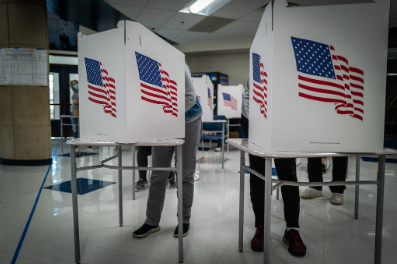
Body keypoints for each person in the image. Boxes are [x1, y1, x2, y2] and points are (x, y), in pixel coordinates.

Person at [133, 63, 202, 238]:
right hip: (163, 121)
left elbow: (189, 98)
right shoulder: (141, 66)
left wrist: (163, 116)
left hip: (189, 118)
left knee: (185, 173)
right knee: (158, 173)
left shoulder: (176, 63)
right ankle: (152, 221)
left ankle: (184, 220)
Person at [240, 77, 306, 256]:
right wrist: (252, 126)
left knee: (288, 176)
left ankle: (292, 228)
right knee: (258, 175)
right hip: (256, 121)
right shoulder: (257, 63)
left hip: (286, 121)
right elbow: (248, 97)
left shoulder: (289, 61)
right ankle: (261, 226)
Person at [70, 80, 93, 151]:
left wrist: (79, 101)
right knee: (75, 127)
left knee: (85, 127)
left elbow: (87, 99)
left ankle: (88, 144)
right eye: (73, 84)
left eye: (76, 83)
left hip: (82, 111)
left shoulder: (84, 91)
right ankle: (76, 143)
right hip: (74, 110)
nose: (75, 85)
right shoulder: (74, 92)